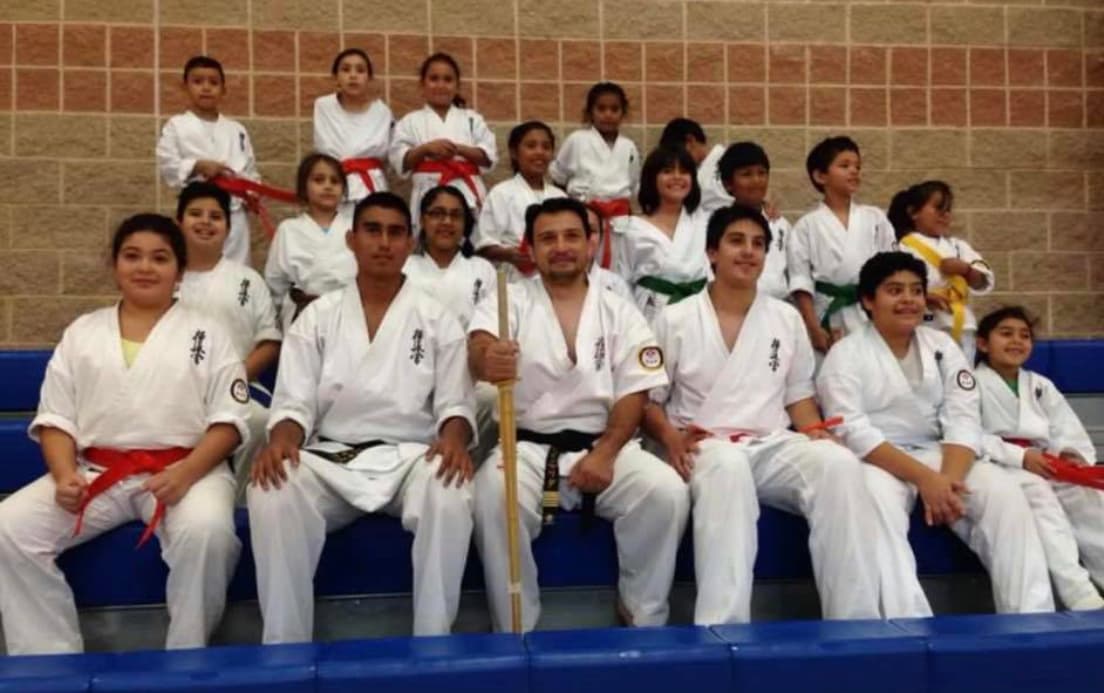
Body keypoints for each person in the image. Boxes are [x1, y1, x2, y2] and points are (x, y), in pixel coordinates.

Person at [0, 214, 248, 655]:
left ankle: (187, 654)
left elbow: (229, 422)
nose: (145, 268)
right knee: (8, 528)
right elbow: (57, 418)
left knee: (208, 531)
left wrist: (187, 473)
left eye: (159, 258)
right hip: (97, 470)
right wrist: (63, 476)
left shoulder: (210, 333)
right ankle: (50, 654)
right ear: (114, 265)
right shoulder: (83, 332)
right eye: (132, 256)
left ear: (180, 269)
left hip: (187, 469)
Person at [645, 205, 895, 624]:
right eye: (736, 242)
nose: (748, 252)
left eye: (758, 244)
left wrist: (816, 431)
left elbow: (797, 396)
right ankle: (722, 627)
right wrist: (670, 440)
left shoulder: (785, 317)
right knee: (727, 468)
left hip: (771, 443)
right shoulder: (674, 319)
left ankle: (856, 621)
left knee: (837, 463)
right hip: (705, 447)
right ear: (711, 253)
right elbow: (650, 402)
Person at [248, 192, 477, 641]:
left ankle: (434, 642)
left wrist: (453, 438)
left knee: (451, 488)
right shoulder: (317, 316)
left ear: (410, 243)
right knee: (272, 490)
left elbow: (455, 404)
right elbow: (294, 403)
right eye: (373, 230)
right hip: (331, 456)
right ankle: (285, 644)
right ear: (352, 240)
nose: (384, 242)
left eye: (395, 232)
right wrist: (282, 440)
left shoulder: (438, 318)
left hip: (410, 456)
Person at [469, 197, 689, 633]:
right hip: (528, 446)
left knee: (666, 492)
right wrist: (488, 357)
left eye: (572, 236)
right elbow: (478, 346)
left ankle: (643, 611)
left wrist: (607, 452)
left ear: (592, 243)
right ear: (530, 248)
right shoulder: (508, 299)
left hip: (605, 442)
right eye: (547, 238)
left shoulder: (619, 309)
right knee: (493, 494)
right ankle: (517, 626)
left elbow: (636, 390)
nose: (561, 246)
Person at [817, 251, 1054, 616]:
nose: (908, 300)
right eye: (894, 290)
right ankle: (905, 624)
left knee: (1005, 496)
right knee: (874, 506)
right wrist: (927, 479)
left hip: (941, 454)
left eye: (915, 290)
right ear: (868, 300)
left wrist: (947, 481)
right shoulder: (844, 355)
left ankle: (1030, 617)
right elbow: (853, 431)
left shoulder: (943, 346)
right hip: (879, 459)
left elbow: (963, 417)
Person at [975, 306, 1104, 610]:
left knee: (1090, 498)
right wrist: (1021, 456)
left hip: (1048, 461)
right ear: (982, 343)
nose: (1017, 341)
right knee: (1043, 504)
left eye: (1025, 336)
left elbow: (1065, 428)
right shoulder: (970, 382)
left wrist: (1069, 454)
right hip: (1003, 465)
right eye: (1006, 334)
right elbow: (967, 434)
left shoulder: (1040, 385)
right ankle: (1079, 593)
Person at [175, 182, 281, 493]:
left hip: (239, 385)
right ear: (179, 222)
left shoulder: (247, 279)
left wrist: (232, 379)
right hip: (176, 386)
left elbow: (269, 341)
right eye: (196, 214)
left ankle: (241, 500)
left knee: (263, 422)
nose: (206, 222)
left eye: (215, 216)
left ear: (228, 226)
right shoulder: (163, 277)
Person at [787, 136, 895, 353]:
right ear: (820, 176)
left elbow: (892, 269)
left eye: (857, 166)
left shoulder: (875, 218)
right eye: (844, 166)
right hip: (827, 313)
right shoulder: (806, 225)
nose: (854, 171)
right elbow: (801, 281)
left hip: (870, 311)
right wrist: (813, 326)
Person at [156, 56, 260, 265]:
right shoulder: (176, 126)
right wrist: (197, 166)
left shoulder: (237, 130)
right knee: (196, 263)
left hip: (234, 211)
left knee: (237, 267)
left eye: (213, 83)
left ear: (224, 90)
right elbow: (167, 164)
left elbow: (250, 169)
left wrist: (252, 192)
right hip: (197, 207)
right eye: (198, 82)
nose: (206, 88)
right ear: (185, 87)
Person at [389, 53, 497, 236]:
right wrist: (425, 149)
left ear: (457, 86)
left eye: (448, 79)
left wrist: (457, 149)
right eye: (434, 79)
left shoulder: (472, 119)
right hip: (428, 190)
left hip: (467, 192)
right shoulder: (410, 121)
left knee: (469, 242)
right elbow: (401, 161)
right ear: (422, 85)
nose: (440, 85)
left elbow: (488, 157)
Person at [889, 180, 993, 361]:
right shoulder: (901, 246)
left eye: (948, 210)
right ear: (913, 212)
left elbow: (983, 280)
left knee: (961, 380)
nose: (945, 215)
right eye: (938, 208)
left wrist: (966, 270)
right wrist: (923, 296)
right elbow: (890, 285)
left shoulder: (959, 247)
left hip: (961, 325)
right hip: (923, 325)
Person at [550, 82, 640, 268]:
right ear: (590, 112)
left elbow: (633, 184)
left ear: (623, 113)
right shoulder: (577, 140)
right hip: (585, 215)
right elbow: (558, 178)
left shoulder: (628, 147)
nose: (608, 114)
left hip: (619, 222)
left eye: (614, 109)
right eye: (601, 109)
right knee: (583, 265)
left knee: (620, 269)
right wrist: (574, 206)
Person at [615, 146, 710, 322]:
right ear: (652, 179)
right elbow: (621, 282)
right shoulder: (632, 229)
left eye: (684, 171)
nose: (677, 177)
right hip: (650, 313)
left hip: (698, 311)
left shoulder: (704, 221)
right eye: (667, 171)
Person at [264, 153, 356, 332]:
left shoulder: (355, 227)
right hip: (303, 316)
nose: (328, 186)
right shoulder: (288, 229)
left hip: (348, 314)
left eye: (335, 181)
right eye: (319, 180)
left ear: (344, 190)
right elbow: (275, 281)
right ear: (304, 187)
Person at [475, 120, 566, 281]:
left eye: (546, 147)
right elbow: (484, 245)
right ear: (514, 153)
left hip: (554, 276)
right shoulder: (501, 193)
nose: (539, 152)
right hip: (514, 278)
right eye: (531, 146)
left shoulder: (560, 197)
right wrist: (508, 254)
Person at [313, 48, 394, 204]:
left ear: (369, 78)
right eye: (345, 69)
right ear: (336, 77)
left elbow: (390, 158)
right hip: (334, 185)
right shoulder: (323, 106)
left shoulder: (382, 112)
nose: (353, 75)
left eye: (360, 70)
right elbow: (323, 148)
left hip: (372, 188)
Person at [716, 142, 790, 301]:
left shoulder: (781, 224)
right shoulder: (719, 224)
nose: (756, 180)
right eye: (746, 174)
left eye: (762, 173)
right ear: (728, 184)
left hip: (779, 310)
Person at [658, 117, 729, 215]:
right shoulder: (696, 172)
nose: (678, 159)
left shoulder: (728, 161)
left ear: (690, 141)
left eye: (678, 152)